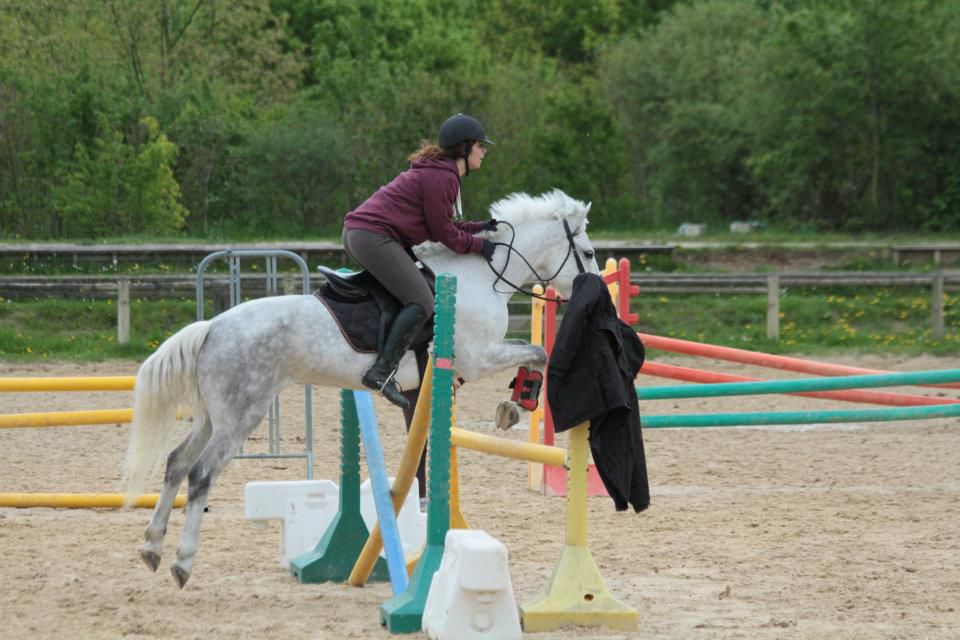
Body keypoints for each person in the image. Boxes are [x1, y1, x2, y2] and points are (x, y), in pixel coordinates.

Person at [342, 113, 498, 410]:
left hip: (363, 234)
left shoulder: (440, 173)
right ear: (464, 147)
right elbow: (446, 235)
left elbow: (445, 225)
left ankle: (409, 363)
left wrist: (481, 227)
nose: (484, 151)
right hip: (373, 237)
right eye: (480, 145)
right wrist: (480, 246)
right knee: (422, 300)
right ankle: (381, 371)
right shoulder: (443, 177)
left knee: (419, 293)